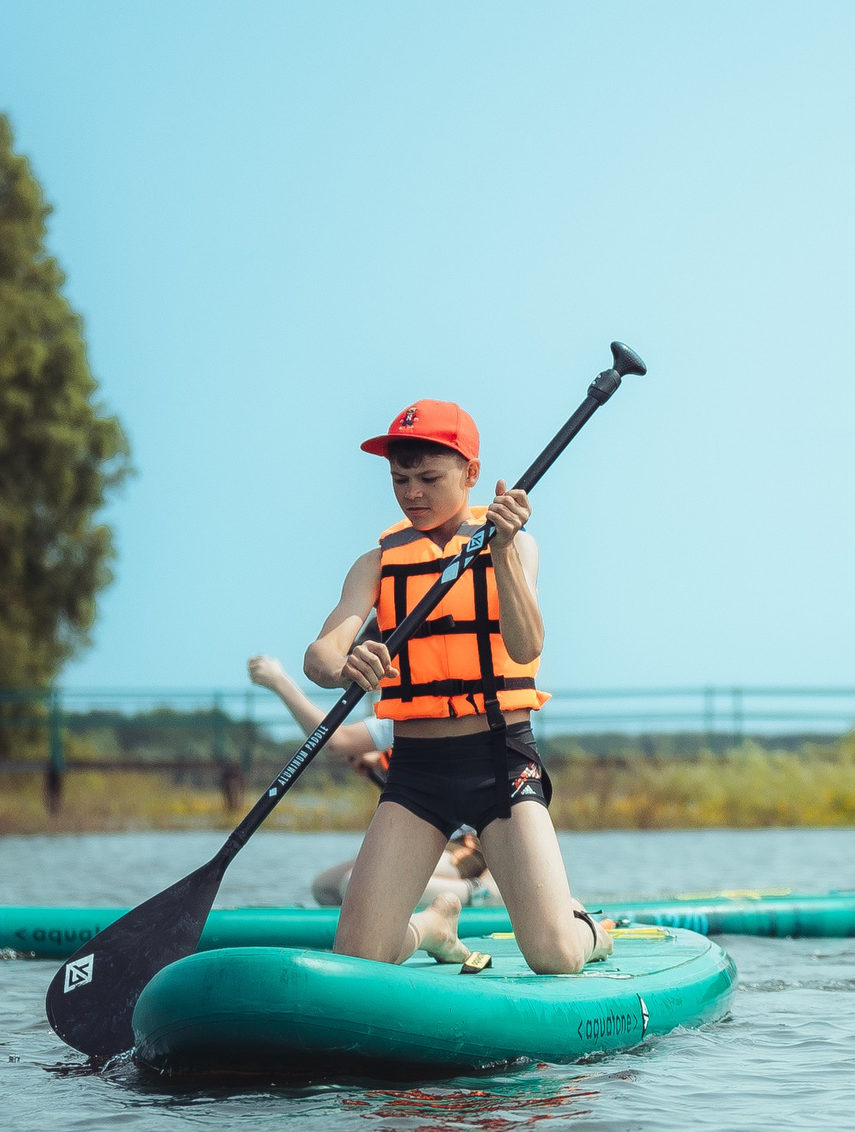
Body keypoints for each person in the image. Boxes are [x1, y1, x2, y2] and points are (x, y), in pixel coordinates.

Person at [300, 399, 612, 974]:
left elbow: (526, 647)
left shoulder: (514, 544)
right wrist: (345, 663)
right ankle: (431, 926)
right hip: (417, 769)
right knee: (360, 957)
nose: (411, 493)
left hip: (499, 758)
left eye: (427, 478)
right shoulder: (377, 562)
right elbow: (318, 656)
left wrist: (499, 555)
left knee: (555, 958)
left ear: (470, 474)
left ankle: (590, 929)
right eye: (400, 479)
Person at [245, 654, 497, 908]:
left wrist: (279, 682)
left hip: (469, 845)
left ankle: (483, 895)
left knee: (352, 884)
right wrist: (376, 760)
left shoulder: (421, 701)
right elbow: (397, 755)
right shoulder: (399, 712)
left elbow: (336, 741)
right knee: (325, 887)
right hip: (429, 840)